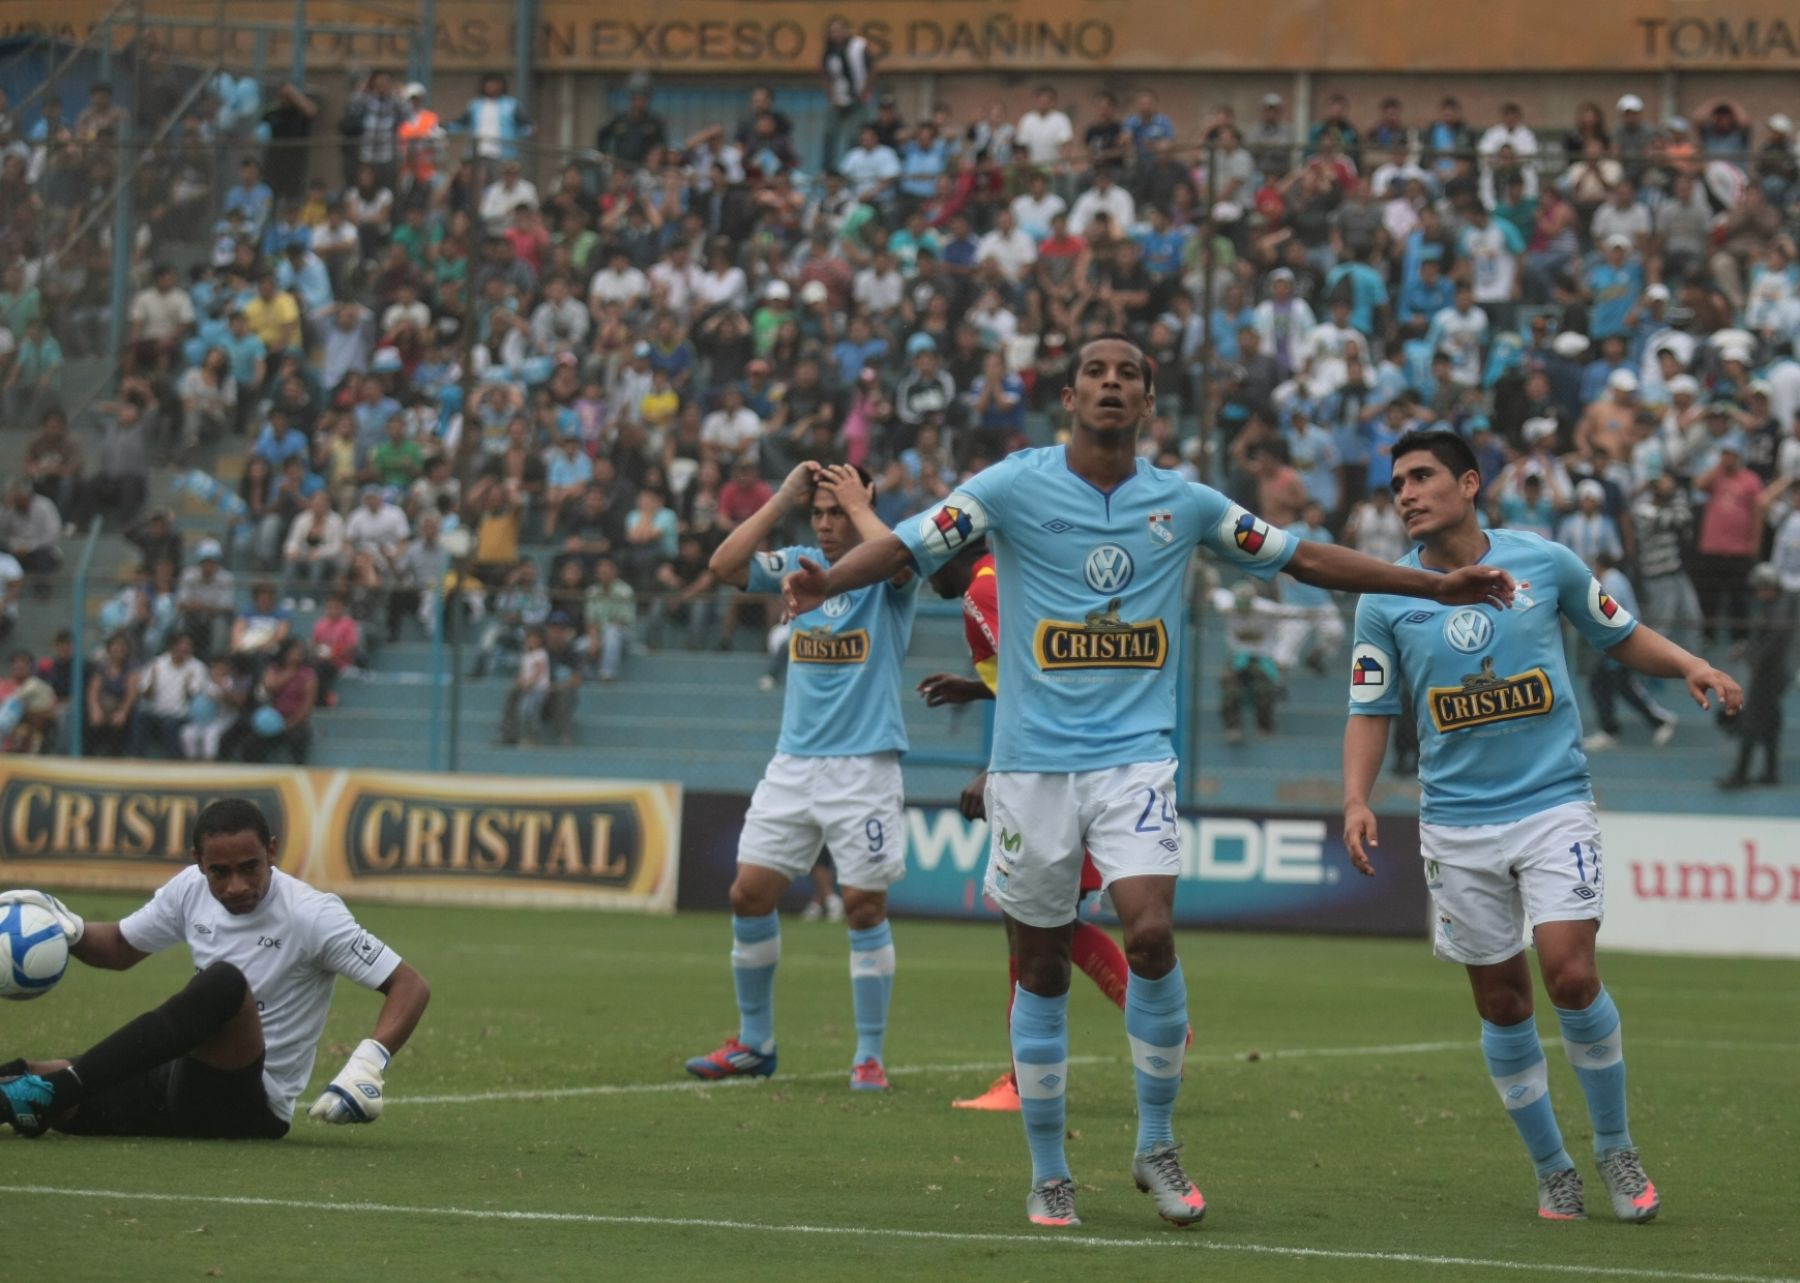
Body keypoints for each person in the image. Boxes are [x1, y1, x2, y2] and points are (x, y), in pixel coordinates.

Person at [783, 333, 1514, 1228]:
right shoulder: (1011, 484)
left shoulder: (1184, 501)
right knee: (1041, 963)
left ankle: (1157, 1144)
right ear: (1069, 393)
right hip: (1031, 768)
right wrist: (825, 582)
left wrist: (1432, 589)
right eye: (1096, 371)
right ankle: (1050, 1172)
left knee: (1153, 932)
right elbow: (905, 546)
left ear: (1148, 402)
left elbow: (1302, 557)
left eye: (1129, 374)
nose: (1112, 384)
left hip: (1135, 762)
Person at [1341, 428, 1742, 1224]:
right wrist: (1356, 796)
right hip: (1456, 826)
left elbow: (1620, 633)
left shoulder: (1546, 562)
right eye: (1397, 484)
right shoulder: (1386, 596)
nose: (1407, 494)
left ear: (1469, 482)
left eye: (1422, 477)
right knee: (1502, 1003)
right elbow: (1369, 707)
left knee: (1571, 974)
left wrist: (1692, 663)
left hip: (1552, 803)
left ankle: (1615, 1147)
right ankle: (1553, 1166)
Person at [684, 462, 918, 1093]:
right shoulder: (797, 561)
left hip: (864, 765)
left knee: (865, 907)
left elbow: (900, 558)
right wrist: (782, 498)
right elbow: (725, 567)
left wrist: (861, 505)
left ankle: (868, 1055)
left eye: (835, 510)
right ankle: (755, 1043)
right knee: (748, 894)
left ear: (861, 505)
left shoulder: (885, 571)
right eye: (819, 513)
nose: (825, 522)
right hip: (794, 762)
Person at [0, 798, 430, 1140]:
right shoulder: (189, 888)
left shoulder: (312, 915)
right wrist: (69, 930)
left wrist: (367, 1064)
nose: (236, 886)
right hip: (182, 1084)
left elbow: (409, 984)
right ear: (198, 860)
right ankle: (55, 1089)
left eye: (250, 868)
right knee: (24, 1079)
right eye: (219, 872)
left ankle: (63, 1087)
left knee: (224, 982)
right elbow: (118, 947)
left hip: (250, 1108)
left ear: (272, 851)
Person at [915, 540, 1134, 1113]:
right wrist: (973, 686)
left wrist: (991, 770)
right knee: (1042, 924)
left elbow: (1039, 684)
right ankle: (1153, 1021)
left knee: (1032, 924)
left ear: (953, 552)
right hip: (1076, 756)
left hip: (1051, 769)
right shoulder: (999, 579)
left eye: (926, 555)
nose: (920, 568)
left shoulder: (982, 590)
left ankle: (1024, 1080)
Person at [1717, 562, 1793, 788]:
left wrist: (1756, 657)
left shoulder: (1778, 607)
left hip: (1772, 674)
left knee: (1751, 722)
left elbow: (1774, 639)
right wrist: (1746, 652)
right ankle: (1770, 772)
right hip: (1776, 673)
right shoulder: (1777, 605)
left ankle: (1741, 774)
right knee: (1770, 722)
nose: (1759, 593)